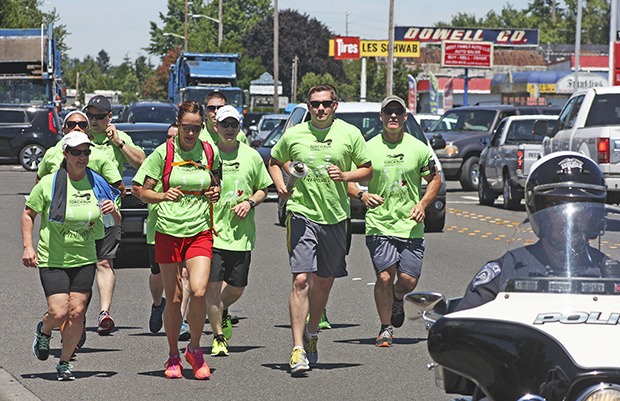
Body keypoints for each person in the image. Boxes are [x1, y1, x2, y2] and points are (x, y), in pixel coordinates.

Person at [268, 84, 372, 376]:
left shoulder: (349, 133)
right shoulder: (295, 134)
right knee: (301, 279)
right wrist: (279, 183)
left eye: (326, 104)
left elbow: (367, 168)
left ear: (335, 105)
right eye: (315, 104)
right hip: (302, 213)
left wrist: (346, 175)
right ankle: (297, 348)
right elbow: (275, 161)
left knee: (323, 282)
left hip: (336, 217)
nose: (321, 109)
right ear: (308, 106)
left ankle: (313, 333)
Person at [455, 151, 608, 312]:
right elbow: (461, 326)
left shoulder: (610, 273)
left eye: (583, 206)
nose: (571, 218)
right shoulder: (509, 270)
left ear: (594, 215)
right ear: (540, 212)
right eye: (557, 206)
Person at [24, 131, 121, 381]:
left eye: (86, 152)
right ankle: (44, 331)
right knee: (58, 312)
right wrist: (28, 246)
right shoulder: (49, 183)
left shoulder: (97, 183)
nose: (82, 157)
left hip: (84, 258)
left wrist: (114, 211)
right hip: (52, 257)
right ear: (65, 154)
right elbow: (28, 214)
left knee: (76, 312)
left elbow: (113, 221)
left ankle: (65, 362)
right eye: (76, 152)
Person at [137, 100, 221, 380]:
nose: (191, 133)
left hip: (199, 229)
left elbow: (216, 180)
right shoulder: (163, 154)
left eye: (197, 128)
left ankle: (194, 350)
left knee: (198, 291)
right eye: (187, 127)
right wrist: (162, 195)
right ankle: (173, 354)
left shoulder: (209, 151)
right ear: (178, 125)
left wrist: (214, 192)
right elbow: (140, 190)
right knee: (173, 298)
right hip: (168, 231)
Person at [349, 95, 441, 347]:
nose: (392, 116)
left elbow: (434, 180)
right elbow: (346, 178)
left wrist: (422, 204)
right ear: (381, 117)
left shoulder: (418, 148)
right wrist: (362, 194)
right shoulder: (368, 148)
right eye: (388, 112)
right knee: (385, 277)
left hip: (410, 225)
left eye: (397, 112)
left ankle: (398, 299)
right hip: (379, 224)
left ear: (405, 117)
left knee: (407, 281)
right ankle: (385, 327)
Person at [36, 110, 125, 349]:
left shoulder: (98, 155)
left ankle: (87, 317)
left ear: (87, 128)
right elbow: (40, 184)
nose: (76, 127)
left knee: (99, 267)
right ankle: (73, 326)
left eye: (82, 124)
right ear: (64, 128)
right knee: (67, 291)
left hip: (97, 224)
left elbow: (118, 187)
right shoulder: (53, 154)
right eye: (71, 123)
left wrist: (107, 205)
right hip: (63, 232)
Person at [205, 105, 272, 357]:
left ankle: (220, 310)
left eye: (234, 125)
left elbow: (264, 187)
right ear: (216, 127)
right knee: (212, 287)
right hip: (211, 233)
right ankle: (218, 337)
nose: (229, 129)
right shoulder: (207, 155)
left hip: (241, 236)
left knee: (236, 288)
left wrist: (250, 202)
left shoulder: (252, 156)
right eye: (225, 125)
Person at [85, 95, 146, 335]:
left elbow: (141, 162)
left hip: (108, 211)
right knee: (81, 264)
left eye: (99, 116)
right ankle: (75, 313)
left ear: (109, 117)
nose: (94, 121)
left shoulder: (118, 139)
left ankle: (104, 312)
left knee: (104, 261)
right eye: (90, 116)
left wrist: (119, 143)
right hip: (77, 211)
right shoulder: (80, 137)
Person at [132, 123, 190, 340]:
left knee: (184, 273)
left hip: (186, 226)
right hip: (159, 227)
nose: (173, 140)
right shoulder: (158, 160)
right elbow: (138, 190)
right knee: (158, 275)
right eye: (169, 136)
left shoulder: (192, 161)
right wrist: (162, 196)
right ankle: (158, 304)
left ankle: (181, 320)